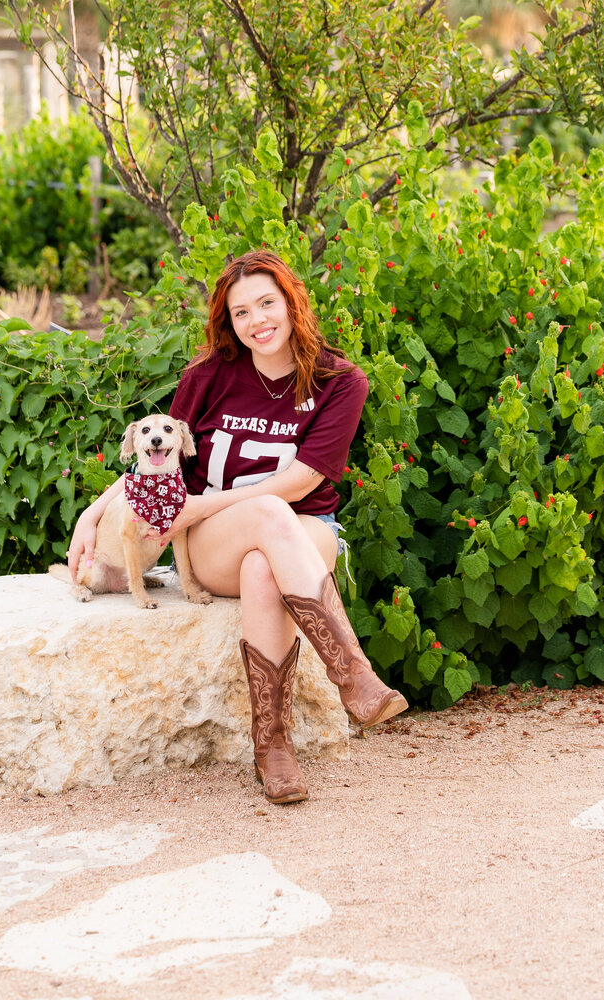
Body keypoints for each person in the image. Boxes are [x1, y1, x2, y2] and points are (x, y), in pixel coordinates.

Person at [67, 249, 406, 804]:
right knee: (265, 522)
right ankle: (354, 675)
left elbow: (300, 484)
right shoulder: (207, 376)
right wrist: (95, 509)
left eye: (267, 303)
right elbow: (160, 464)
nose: (257, 321)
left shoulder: (340, 381)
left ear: (293, 303)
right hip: (210, 539)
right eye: (240, 312)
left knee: (265, 564)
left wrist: (202, 503)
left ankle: (272, 747)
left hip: (305, 528)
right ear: (228, 320)